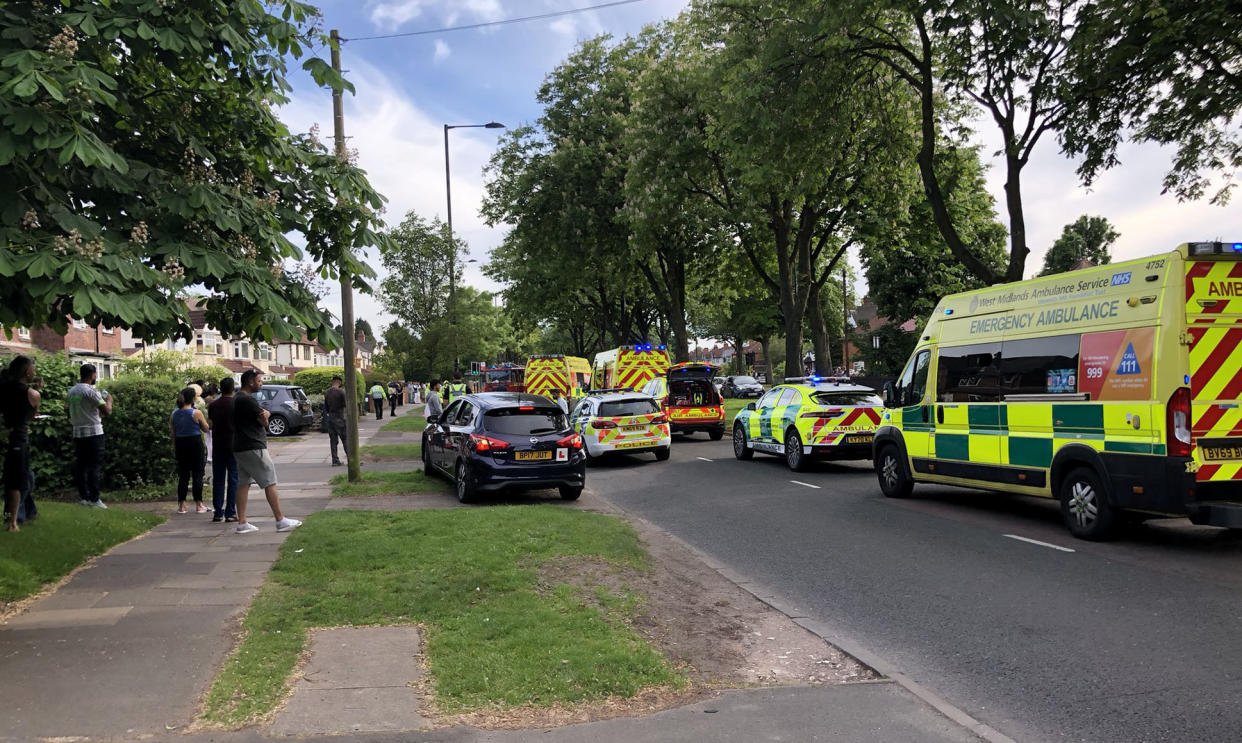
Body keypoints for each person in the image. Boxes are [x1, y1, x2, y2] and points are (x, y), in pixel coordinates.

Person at [232, 369, 300, 534]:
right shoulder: (248, 400)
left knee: (243, 484)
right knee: (270, 481)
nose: (261, 384)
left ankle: (242, 522)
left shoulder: (236, 399)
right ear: (250, 382)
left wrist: (265, 413)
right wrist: (266, 414)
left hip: (239, 446)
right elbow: (264, 421)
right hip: (254, 446)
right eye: (259, 381)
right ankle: (280, 520)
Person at [66, 363, 113, 509]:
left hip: (78, 433)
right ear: (92, 375)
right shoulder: (91, 392)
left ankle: (84, 497)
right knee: (94, 466)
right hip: (93, 433)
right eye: (95, 374)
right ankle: (95, 499)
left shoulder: (72, 391)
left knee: (81, 466)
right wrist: (109, 401)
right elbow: (107, 411)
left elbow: (67, 409)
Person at [1, 356, 39, 532]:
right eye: (33, 368)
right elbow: (31, 415)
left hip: (8, 435)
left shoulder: (4, 388)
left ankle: (27, 512)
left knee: (25, 476)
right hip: (19, 438)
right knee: (17, 480)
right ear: (26, 371)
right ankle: (13, 522)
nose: (35, 372)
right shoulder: (31, 393)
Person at [171, 387, 209, 514]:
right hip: (195, 443)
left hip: (180, 444)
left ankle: (181, 505)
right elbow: (205, 428)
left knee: (183, 475)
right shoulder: (196, 413)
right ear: (193, 398)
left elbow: (173, 433)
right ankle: (199, 504)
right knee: (198, 473)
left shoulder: (174, 413)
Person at [208, 377, 239, 523]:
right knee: (233, 478)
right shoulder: (236, 404)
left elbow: (212, 424)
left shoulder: (213, 405)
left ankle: (217, 512)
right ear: (233, 389)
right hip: (233, 444)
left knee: (218, 479)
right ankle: (230, 512)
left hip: (218, 444)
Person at [323, 375, 348, 466]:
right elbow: (345, 404)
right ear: (339, 382)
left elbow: (325, 407)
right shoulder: (341, 392)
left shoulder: (327, 392)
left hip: (330, 419)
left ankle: (335, 460)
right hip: (339, 417)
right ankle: (351, 458)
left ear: (332, 382)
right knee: (345, 439)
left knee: (333, 440)